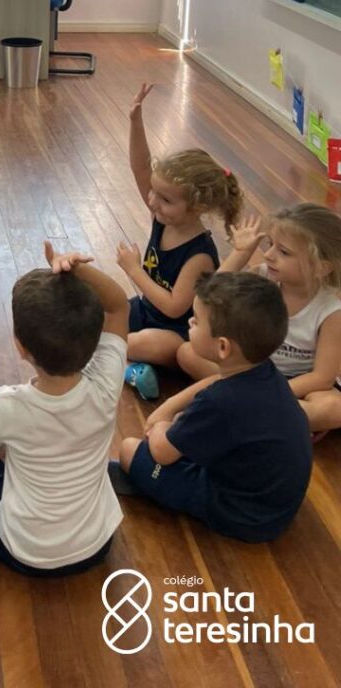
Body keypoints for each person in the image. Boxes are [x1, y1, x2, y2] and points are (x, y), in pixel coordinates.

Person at [118, 272, 313, 542]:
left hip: (243, 515)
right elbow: (215, 381)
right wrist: (172, 405)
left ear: (222, 347)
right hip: (274, 506)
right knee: (184, 434)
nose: (189, 322)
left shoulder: (221, 402)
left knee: (129, 450)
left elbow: (162, 451)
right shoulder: (264, 371)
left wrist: (162, 421)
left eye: (196, 321)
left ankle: (154, 484)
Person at [0, 242, 128, 575]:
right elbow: (118, 308)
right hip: (96, 546)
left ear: (20, 347)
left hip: (23, 550)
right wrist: (80, 270)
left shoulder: (6, 404)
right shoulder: (105, 386)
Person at [120, 82, 243, 400]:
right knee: (103, 316)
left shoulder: (199, 255)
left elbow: (175, 308)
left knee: (137, 343)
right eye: (153, 193)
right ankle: (126, 362)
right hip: (145, 311)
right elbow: (140, 166)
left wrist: (134, 271)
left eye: (164, 198)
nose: (152, 201)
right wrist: (136, 122)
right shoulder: (164, 217)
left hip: (178, 331)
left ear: (198, 207)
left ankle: (130, 366)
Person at [177, 204, 341, 434]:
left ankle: (239, 408)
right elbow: (205, 301)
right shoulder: (262, 278)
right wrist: (240, 253)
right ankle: (271, 419)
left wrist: (268, 393)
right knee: (187, 352)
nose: (268, 254)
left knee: (335, 407)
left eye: (283, 252)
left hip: (294, 385)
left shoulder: (331, 310)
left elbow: (321, 378)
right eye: (269, 244)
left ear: (321, 268)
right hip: (247, 369)